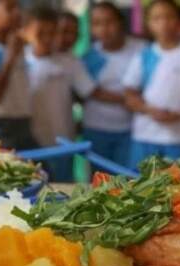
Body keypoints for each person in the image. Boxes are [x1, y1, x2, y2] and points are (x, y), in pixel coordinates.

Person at [23, 6, 118, 182]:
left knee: (62, 187)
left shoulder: (70, 61)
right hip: (30, 141)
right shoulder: (21, 60)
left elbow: (90, 91)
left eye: (52, 33)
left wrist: (129, 100)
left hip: (62, 142)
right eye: (41, 33)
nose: (48, 38)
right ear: (26, 31)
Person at [123, 0, 180, 168]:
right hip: (144, 135)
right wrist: (149, 110)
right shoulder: (143, 55)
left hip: (178, 137)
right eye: (156, 18)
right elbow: (129, 95)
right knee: (137, 184)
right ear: (148, 24)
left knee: (178, 187)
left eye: (169, 17)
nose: (164, 23)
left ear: (179, 20)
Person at [81, 1, 146, 167]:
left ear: (121, 22)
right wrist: (129, 99)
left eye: (109, 22)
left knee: (128, 180)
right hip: (96, 129)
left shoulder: (142, 50)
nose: (104, 29)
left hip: (131, 130)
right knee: (99, 180)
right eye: (97, 24)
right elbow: (92, 92)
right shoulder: (90, 56)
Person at [0, 0, 36, 150]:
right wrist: (10, 58)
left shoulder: (18, 44)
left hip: (24, 121)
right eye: (9, 8)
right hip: (2, 124)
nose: (17, 13)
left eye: (17, 7)